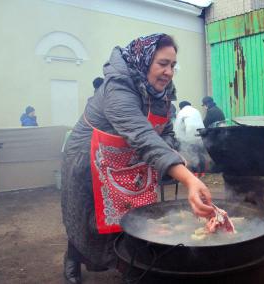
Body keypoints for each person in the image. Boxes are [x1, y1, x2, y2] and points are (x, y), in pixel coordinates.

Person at [61, 34, 214, 284]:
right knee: (88, 217)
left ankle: (128, 265)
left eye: (173, 65)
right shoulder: (118, 87)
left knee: (134, 215)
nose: (169, 72)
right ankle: (72, 259)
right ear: (144, 62)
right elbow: (141, 134)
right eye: (162, 63)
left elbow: (163, 131)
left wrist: (176, 153)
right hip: (89, 156)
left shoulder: (162, 93)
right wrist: (187, 179)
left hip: (129, 158)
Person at [174, 101, 206, 176]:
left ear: (181, 107)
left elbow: (178, 127)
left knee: (192, 154)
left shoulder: (181, 112)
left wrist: (178, 138)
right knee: (200, 153)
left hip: (190, 135)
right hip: (201, 134)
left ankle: (195, 172)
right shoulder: (196, 111)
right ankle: (202, 172)